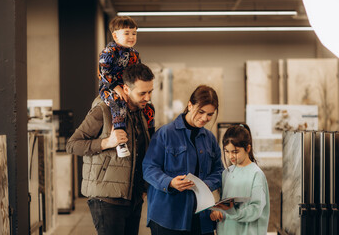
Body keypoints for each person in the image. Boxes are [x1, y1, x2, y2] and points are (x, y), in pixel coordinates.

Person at [66, 63, 155, 235]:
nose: (147, 97)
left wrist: (143, 189)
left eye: (150, 92)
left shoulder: (143, 113)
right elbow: (72, 144)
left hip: (133, 197)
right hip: (106, 198)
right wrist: (107, 142)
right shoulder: (104, 110)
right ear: (126, 90)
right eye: (142, 93)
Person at [142, 85, 224, 235]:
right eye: (201, 112)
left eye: (210, 114)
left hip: (201, 218)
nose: (205, 118)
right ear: (190, 105)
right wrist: (170, 182)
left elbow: (219, 171)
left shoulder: (210, 139)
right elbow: (149, 168)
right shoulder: (165, 134)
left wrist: (205, 185)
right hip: (167, 217)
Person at [98, 15, 155, 157]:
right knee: (119, 103)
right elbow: (103, 73)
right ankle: (120, 140)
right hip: (109, 88)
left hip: (128, 87)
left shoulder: (134, 54)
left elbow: (138, 73)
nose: (131, 37)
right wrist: (116, 87)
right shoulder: (108, 52)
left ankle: (151, 136)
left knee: (149, 106)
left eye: (134, 33)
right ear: (115, 36)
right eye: (127, 33)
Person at [210, 124, 270, 235]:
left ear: (248, 148)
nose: (230, 156)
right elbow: (223, 205)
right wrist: (218, 212)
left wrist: (233, 213)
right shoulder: (226, 173)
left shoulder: (256, 174)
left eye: (235, 152)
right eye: (226, 151)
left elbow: (256, 209)